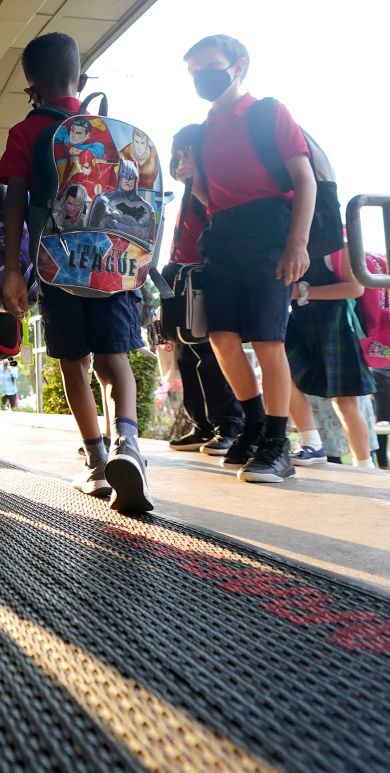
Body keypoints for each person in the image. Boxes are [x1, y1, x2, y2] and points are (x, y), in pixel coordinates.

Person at [0, 31, 152, 513]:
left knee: (73, 363)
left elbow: (14, 204)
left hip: (59, 264)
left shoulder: (26, 132)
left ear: (30, 85)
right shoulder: (113, 131)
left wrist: (12, 271)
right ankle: (128, 443)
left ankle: (95, 462)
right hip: (113, 263)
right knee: (114, 361)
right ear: (81, 79)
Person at [185, 34, 315, 483]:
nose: (202, 77)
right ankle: (254, 425)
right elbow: (211, 200)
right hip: (223, 236)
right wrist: (194, 181)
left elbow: (305, 179)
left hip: (268, 232)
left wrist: (297, 244)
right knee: (221, 337)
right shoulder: (202, 131)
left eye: (210, 67)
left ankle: (279, 442)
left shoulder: (268, 113)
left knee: (266, 339)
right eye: (195, 71)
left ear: (237, 66)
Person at [165, 124, 244, 455]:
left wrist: (196, 183)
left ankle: (230, 425)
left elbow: (222, 222)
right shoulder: (187, 192)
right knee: (188, 353)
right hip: (184, 279)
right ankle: (202, 424)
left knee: (210, 355)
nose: (178, 161)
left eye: (184, 153)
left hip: (205, 278)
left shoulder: (212, 188)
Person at [286, 247, 376, 468]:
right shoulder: (282, 242)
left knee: (345, 401)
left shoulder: (339, 245)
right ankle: (311, 443)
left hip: (335, 327)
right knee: (284, 381)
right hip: (298, 326)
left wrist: (302, 291)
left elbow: (355, 288)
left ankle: (364, 465)